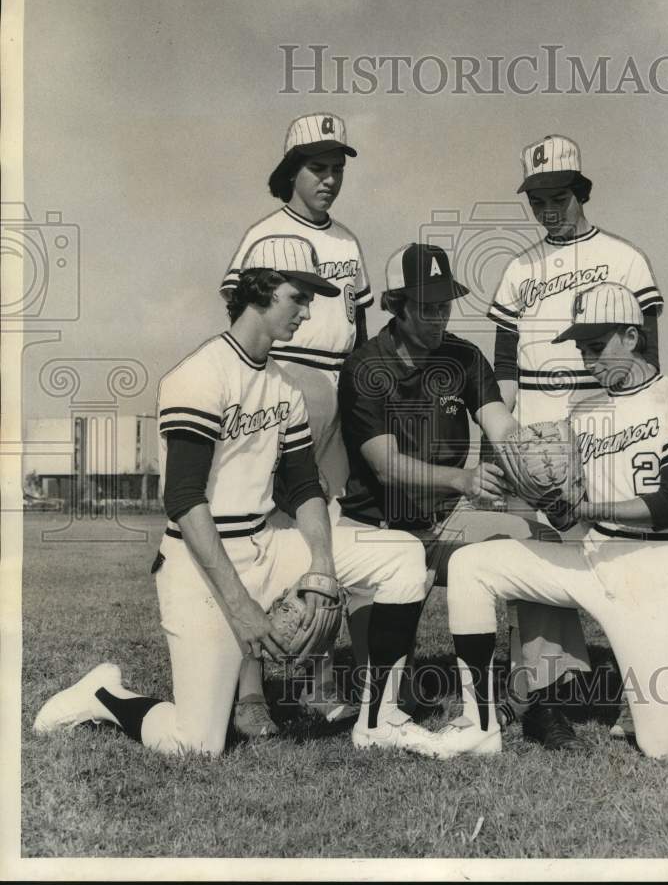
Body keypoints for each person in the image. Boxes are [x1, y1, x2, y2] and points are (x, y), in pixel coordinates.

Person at [33, 235, 440, 759]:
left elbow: (302, 486)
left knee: (403, 555)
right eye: (299, 296)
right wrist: (242, 606)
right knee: (197, 744)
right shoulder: (199, 375)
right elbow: (182, 498)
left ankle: (380, 718)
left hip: (268, 542)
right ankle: (105, 694)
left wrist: (321, 564)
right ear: (262, 291)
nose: (308, 310)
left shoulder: (286, 386)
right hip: (200, 561)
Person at [421, 281, 668, 759]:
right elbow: (566, 508)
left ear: (631, 335)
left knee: (657, 742)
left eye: (597, 346)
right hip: (589, 560)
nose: (588, 360)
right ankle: (477, 720)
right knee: (471, 565)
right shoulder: (582, 411)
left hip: (656, 569)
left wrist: (584, 509)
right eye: (581, 348)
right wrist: (534, 487)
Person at [337, 242, 588, 743]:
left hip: (447, 520)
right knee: (389, 698)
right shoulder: (366, 365)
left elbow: (501, 427)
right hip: (378, 531)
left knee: (535, 539)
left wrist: (541, 471)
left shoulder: (464, 357)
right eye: (425, 307)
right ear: (395, 306)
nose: (436, 317)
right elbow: (385, 467)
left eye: (444, 305)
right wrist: (463, 479)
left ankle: (536, 697)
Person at [488, 133, 664, 743]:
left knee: (622, 551)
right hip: (536, 426)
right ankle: (545, 693)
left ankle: (646, 683)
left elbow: (649, 358)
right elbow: (504, 365)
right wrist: (503, 441)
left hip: (601, 416)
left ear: (581, 191)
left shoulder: (625, 258)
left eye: (557, 195)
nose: (547, 208)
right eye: (536, 199)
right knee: (538, 555)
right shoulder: (518, 268)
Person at [220, 113, 372, 722]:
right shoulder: (264, 235)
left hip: (337, 385)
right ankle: (251, 689)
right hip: (281, 380)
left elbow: (361, 329)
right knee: (259, 530)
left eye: (337, 167)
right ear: (290, 173)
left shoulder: (348, 242)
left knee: (322, 532)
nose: (330, 178)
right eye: (317, 166)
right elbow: (241, 320)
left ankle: (318, 677)